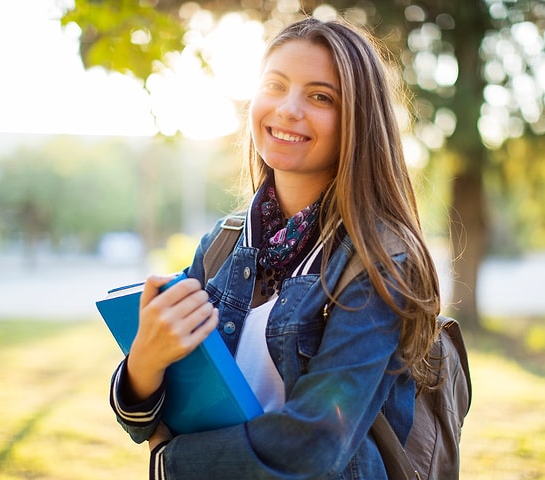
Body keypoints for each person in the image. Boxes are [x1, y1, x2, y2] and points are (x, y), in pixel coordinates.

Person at [110, 16, 442, 479]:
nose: (287, 109)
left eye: (320, 96)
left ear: (358, 121)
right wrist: (144, 360)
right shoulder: (224, 245)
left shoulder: (380, 263)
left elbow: (315, 441)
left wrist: (172, 465)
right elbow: (141, 421)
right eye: (275, 85)